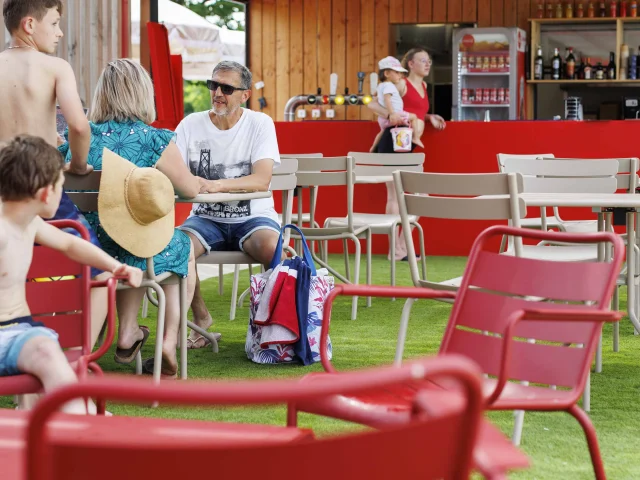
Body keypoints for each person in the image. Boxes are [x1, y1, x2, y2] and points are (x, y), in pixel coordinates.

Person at [59, 59, 205, 378]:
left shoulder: (79, 138)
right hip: (134, 244)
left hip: (84, 247)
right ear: (143, 94)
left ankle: (128, 333)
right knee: (180, 246)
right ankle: (168, 340)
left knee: (135, 240)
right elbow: (189, 190)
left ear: (102, 95)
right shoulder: (154, 139)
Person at [0, 135, 142, 414]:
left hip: (20, 334)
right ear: (45, 193)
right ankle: (82, 424)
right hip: (15, 335)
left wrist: (114, 266)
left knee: (44, 350)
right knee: (45, 351)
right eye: (60, 186)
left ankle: (74, 418)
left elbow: (70, 243)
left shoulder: (29, 223)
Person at [0, 0, 110, 347]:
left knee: (18, 273)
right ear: (30, 25)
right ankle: (77, 357)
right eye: (55, 23)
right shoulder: (54, 67)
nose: (61, 32)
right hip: (41, 182)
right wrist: (78, 165)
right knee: (99, 271)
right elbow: (79, 125)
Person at [175, 60, 281, 349]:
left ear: (245, 94)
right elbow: (173, 172)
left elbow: (261, 180)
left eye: (227, 87)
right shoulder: (190, 124)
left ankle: (274, 329)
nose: (217, 92)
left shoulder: (260, 123)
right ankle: (200, 319)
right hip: (205, 218)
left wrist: (216, 184)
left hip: (253, 217)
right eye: (213, 85)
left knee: (274, 248)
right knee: (177, 247)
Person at [367, 48, 446, 261]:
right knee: (395, 195)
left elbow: (414, 110)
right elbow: (372, 104)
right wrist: (391, 115)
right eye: (423, 60)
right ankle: (396, 249)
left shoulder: (423, 85)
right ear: (410, 64)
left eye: (429, 60)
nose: (428, 64)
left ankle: (401, 247)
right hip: (394, 140)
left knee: (420, 195)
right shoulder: (401, 83)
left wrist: (428, 117)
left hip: (407, 142)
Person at [370, 56, 423, 153]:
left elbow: (374, 99)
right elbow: (383, 100)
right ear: (386, 74)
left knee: (382, 132)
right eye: (397, 72)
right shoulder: (390, 85)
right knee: (413, 117)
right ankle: (416, 138)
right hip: (397, 119)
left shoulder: (381, 86)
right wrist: (392, 113)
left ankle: (373, 148)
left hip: (386, 121)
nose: (400, 75)